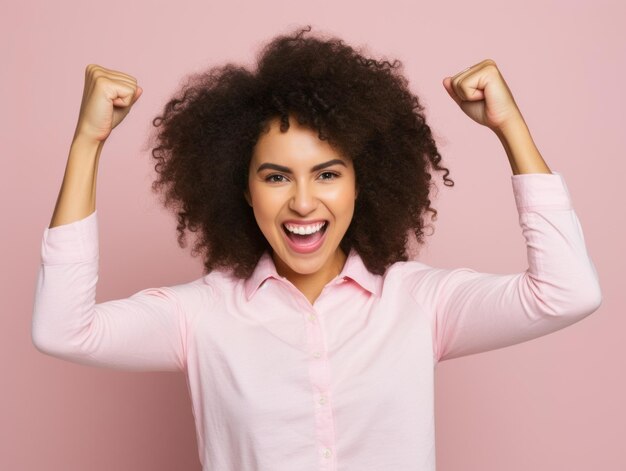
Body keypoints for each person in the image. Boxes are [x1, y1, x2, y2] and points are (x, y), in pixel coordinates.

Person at [32, 25, 602, 471]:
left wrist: (510, 127)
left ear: (364, 182)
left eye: (327, 174)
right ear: (243, 188)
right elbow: (63, 329)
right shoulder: (201, 315)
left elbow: (567, 293)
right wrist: (89, 141)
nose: (303, 203)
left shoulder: (419, 303)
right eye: (277, 177)